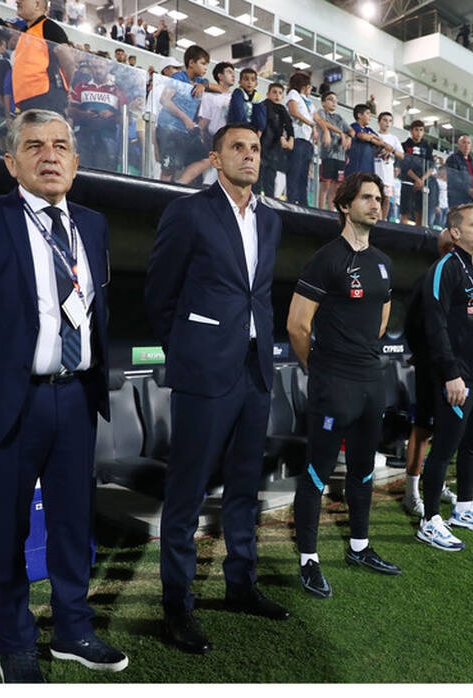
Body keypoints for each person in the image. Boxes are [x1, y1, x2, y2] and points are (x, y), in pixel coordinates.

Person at [0, 110, 127, 683]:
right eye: (34, 146)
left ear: (77, 163)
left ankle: (72, 630)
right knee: (4, 531)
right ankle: (14, 643)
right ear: (12, 163)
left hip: (76, 398)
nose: (50, 156)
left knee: (71, 523)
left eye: (61, 146)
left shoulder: (93, 224)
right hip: (6, 404)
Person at [145, 123, 289, 654]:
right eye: (238, 148)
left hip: (255, 371)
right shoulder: (189, 211)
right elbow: (160, 292)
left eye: (255, 149)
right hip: (205, 371)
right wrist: (187, 350)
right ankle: (177, 607)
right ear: (215, 157)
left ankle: (240, 586)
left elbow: (260, 294)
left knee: (245, 488)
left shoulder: (270, 221)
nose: (249, 156)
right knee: (186, 495)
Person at [287, 172, 402, 598]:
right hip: (334, 382)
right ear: (344, 205)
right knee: (317, 472)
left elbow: (382, 320)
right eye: (367, 198)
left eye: (379, 198)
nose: (376, 205)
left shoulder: (383, 262)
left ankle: (359, 546)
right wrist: (320, 368)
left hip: (371, 381)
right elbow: (298, 325)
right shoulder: (327, 258)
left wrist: (360, 356)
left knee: (362, 469)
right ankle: (309, 561)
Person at [415, 204, 473, 551]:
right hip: (458, 379)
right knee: (445, 448)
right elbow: (434, 325)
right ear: (455, 232)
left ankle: (465, 507)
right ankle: (429, 521)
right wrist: (451, 373)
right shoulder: (445, 269)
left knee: (471, 445)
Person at [401, 228, 456, 517]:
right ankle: (411, 492)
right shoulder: (430, 278)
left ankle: (437, 483)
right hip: (432, 368)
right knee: (423, 427)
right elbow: (414, 322)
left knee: (447, 430)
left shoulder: (467, 278)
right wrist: (423, 355)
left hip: (457, 368)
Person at [156, 44, 211, 184]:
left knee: (206, 159)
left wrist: (203, 84)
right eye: (203, 63)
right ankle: (161, 196)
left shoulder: (199, 81)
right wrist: (185, 117)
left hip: (184, 131)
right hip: (169, 128)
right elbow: (164, 100)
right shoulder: (178, 77)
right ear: (191, 63)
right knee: (168, 169)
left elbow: (213, 85)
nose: (206, 68)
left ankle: (180, 184)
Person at [252, 81, 294, 198]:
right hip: (262, 143)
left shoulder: (282, 109)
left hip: (274, 148)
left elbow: (289, 124)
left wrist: (291, 138)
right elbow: (268, 121)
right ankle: (254, 198)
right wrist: (281, 136)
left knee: (270, 177)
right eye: (274, 92)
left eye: (280, 93)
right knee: (258, 175)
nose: (277, 95)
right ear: (268, 94)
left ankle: (269, 201)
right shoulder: (264, 105)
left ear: (283, 96)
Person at [314, 91, 350, 211]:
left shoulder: (340, 118)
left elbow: (351, 131)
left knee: (336, 187)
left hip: (340, 156)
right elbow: (323, 122)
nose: (334, 102)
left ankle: (331, 211)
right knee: (325, 185)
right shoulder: (321, 112)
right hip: (327, 155)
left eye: (336, 100)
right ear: (323, 102)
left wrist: (348, 137)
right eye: (330, 99)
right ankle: (320, 210)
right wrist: (340, 132)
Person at [284, 71, 316, 205]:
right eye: (309, 86)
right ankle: (291, 202)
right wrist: (310, 123)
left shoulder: (308, 102)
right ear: (304, 85)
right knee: (294, 172)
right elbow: (293, 111)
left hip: (306, 140)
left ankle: (303, 202)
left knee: (304, 174)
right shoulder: (293, 94)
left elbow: (316, 118)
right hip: (296, 138)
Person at [399, 119, 432, 227]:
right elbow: (403, 165)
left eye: (421, 130)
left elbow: (431, 166)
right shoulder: (404, 145)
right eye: (416, 130)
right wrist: (416, 179)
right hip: (407, 182)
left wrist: (422, 180)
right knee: (405, 212)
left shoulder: (427, 147)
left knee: (420, 212)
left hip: (422, 184)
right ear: (411, 131)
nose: (418, 132)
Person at [373, 111, 404, 220]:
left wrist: (392, 150)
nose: (387, 123)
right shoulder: (374, 135)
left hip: (387, 174)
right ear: (379, 121)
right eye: (385, 120)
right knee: (374, 197)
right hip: (374, 172)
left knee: (386, 198)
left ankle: (383, 220)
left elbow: (402, 155)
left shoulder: (394, 139)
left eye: (390, 121)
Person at [444, 134, 473, 208]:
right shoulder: (452, 159)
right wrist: (468, 189)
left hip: (471, 198)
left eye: (468, 143)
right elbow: (453, 178)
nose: (466, 145)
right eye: (464, 142)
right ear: (459, 145)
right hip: (457, 197)